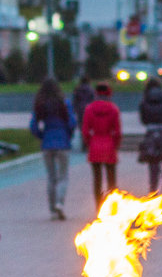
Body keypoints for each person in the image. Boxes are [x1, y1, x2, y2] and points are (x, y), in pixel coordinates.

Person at [29, 77, 77, 220]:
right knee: (63, 176)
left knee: (51, 177)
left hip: (47, 143)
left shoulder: (40, 104)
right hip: (62, 143)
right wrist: (68, 135)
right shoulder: (64, 103)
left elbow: (33, 126)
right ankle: (59, 203)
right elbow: (72, 123)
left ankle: (52, 209)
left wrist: (42, 136)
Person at [81, 82, 122, 209]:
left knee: (97, 180)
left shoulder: (89, 109)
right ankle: (112, 209)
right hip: (109, 145)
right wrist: (115, 145)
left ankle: (99, 207)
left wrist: (89, 143)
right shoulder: (113, 109)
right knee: (112, 181)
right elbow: (118, 131)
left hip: (95, 145)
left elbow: (85, 131)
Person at [72, 76, 95, 152]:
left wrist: (74, 110)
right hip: (89, 111)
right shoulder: (91, 90)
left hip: (80, 111)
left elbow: (75, 101)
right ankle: (88, 144)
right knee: (89, 128)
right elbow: (93, 100)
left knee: (82, 128)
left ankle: (83, 144)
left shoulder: (77, 89)